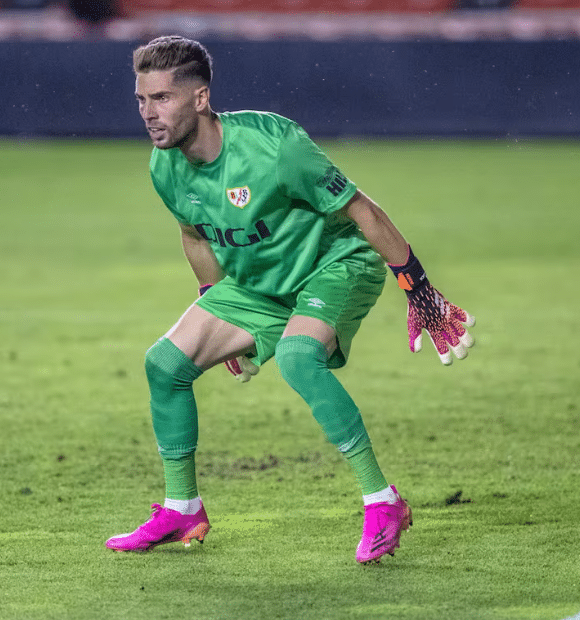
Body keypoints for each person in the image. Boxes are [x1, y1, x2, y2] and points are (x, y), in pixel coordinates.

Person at [105, 36, 475, 564]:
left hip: (335, 266)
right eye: (141, 99)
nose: (148, 113)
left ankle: (382, 501)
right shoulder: (164, 167)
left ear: (201, 98)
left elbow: (361, 209)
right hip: (259, 285)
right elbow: (195, 235)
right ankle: (182, 507)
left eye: (161, 98)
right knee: (164, 365)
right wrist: (216, 305)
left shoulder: (274, 145)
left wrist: (418, 288)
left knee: (301, 359)